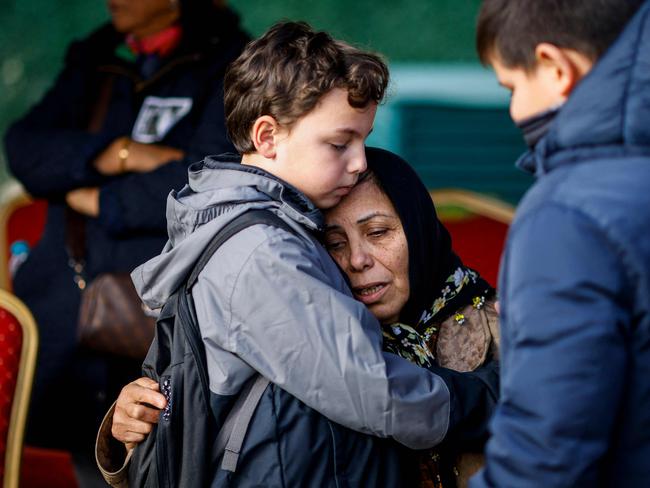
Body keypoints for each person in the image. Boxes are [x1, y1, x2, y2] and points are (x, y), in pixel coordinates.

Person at [94, 22, 500, 487]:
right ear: (266, 137)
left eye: (363, 142)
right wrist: (493, 395)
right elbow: (371, 390)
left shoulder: (261, 229)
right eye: (339, 143)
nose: (360, 161)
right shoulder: (263, 250)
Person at [3, 0, 249, 458]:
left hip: (157, 309)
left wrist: (100, 197)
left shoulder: (233, 63)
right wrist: (119, 152)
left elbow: (215, 177)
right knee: (60, 447)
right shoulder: (96, 57)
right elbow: (25, 148)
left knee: (158, 448)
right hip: (66, 305)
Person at [470, 0, 650, 486]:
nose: (513, 109)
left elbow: (546, 454)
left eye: (511, 86)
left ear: (554, 68)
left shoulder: (566, 215)